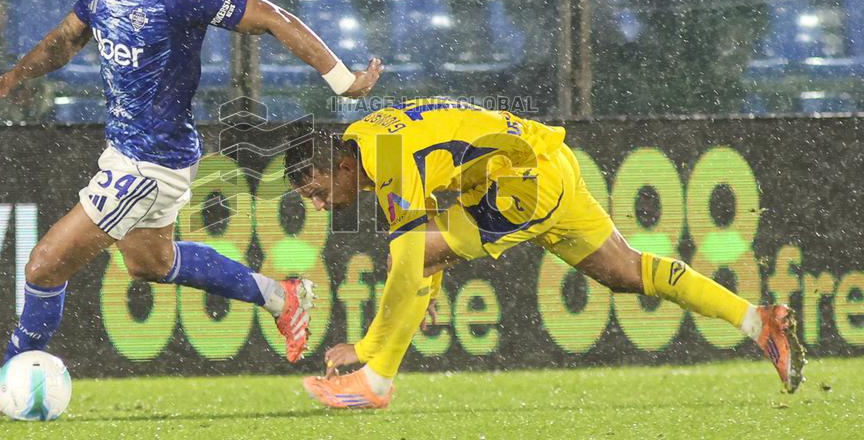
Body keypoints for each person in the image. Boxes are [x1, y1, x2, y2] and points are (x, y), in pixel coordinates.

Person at [0, 0, 383, 420]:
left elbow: (271, 18)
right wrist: (11, 78)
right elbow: (68, 38)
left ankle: (1, 385)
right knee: (152, 262)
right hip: (130, 153)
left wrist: (340, 79)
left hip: (151, 163)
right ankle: (281, 298)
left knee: (45, 265)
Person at [284, 98, 806, 409]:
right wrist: (422, 288)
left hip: (521, 186)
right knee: (625, 271)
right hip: (547, 160)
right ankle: (757, 321)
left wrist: (370, 343)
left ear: (342, 167)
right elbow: (430, 228)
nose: (319, 204)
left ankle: (375, 382)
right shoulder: (367, 139)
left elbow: (410, 258)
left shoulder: (387, 158)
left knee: (416, 257)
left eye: (317, 190)